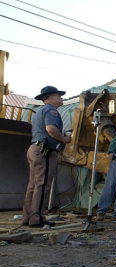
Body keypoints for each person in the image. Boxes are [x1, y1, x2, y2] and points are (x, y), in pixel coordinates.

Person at [23, 86, 71, 227]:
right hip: (45, 151)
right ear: (49, 98)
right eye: (58, 96)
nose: (61, 98)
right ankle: (37, 218)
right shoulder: (51, 111)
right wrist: (63, 139)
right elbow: (51, 129)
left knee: (33, 185)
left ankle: (28, 217)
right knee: (43, 185)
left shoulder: (40, 111)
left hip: (34, 149)